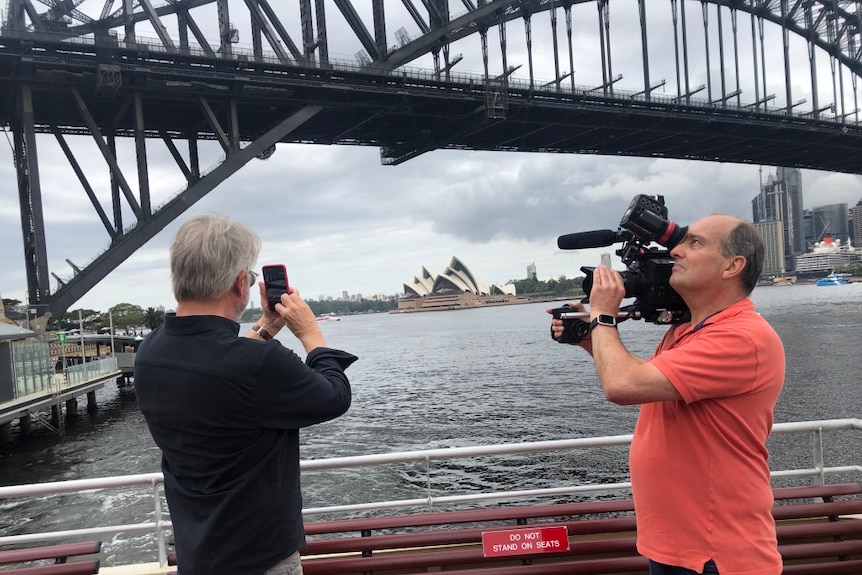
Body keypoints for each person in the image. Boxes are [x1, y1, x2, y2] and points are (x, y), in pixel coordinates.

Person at [549, 214, 785, 575]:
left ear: (732, 266)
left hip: (717, 554)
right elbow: (643, 383)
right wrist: (587, 337)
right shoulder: (689, 331)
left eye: (695, 243)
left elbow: (621, 386)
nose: (675, 251)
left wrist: (603, 315)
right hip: (676, 546)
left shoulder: (741, 337)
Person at [135, 214, 357, 575]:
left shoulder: (151, 352)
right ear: (241, 282)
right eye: (250, 277)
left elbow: (216, 365)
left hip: (197, 555)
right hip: (259, 559)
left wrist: (266, 327)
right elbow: (334, 396)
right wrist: (311, 334)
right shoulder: (258, 364)